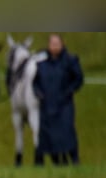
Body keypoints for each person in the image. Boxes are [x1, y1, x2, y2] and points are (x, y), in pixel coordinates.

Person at [32, 34, 84, 165]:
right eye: (52, 44)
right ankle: (56, 161)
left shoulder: (70, 60)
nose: (54, 46)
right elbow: (35, 82)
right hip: (47, 104)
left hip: (64, 103)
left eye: (56, 44)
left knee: (66, 131)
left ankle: (74, 159)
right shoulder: (42, 63)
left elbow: (78, 78)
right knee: (47, 134)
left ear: (62, 44)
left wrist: (69, 91)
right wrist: (38, 93)